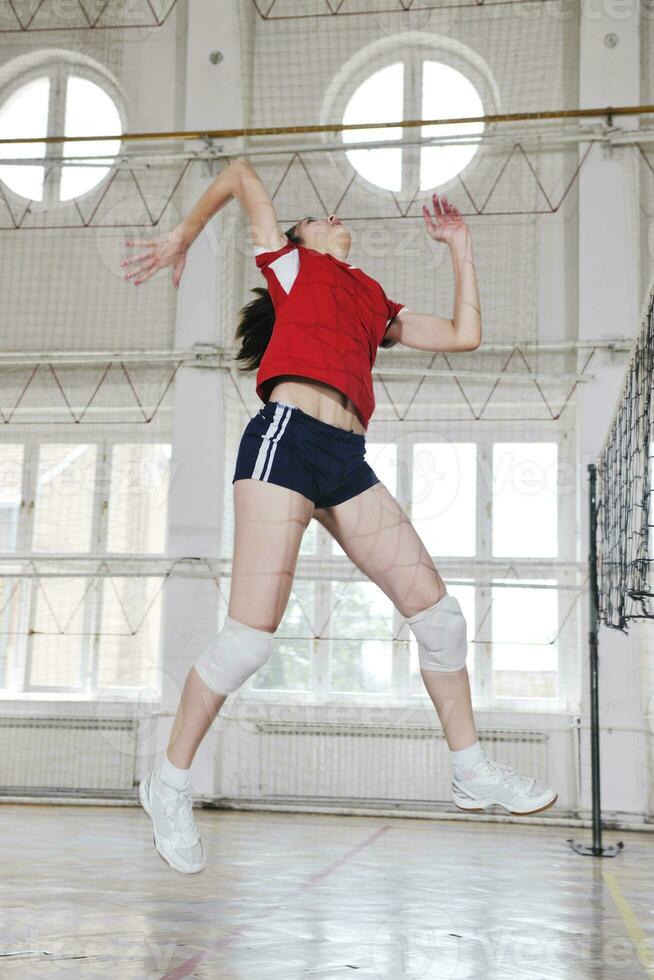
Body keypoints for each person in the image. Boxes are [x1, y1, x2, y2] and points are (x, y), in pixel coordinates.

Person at [121, 158, 557, 874]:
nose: (333, 216)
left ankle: (470, 768)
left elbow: (462, 335)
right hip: (285, 439)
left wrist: (461, 251)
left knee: (440, 617)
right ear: (296, 239)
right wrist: (183, 235)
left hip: (346, 457)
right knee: (247, 643)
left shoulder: (372, 299)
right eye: (317, 215)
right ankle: (168, 783)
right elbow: (238, 173)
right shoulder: (289, 266)